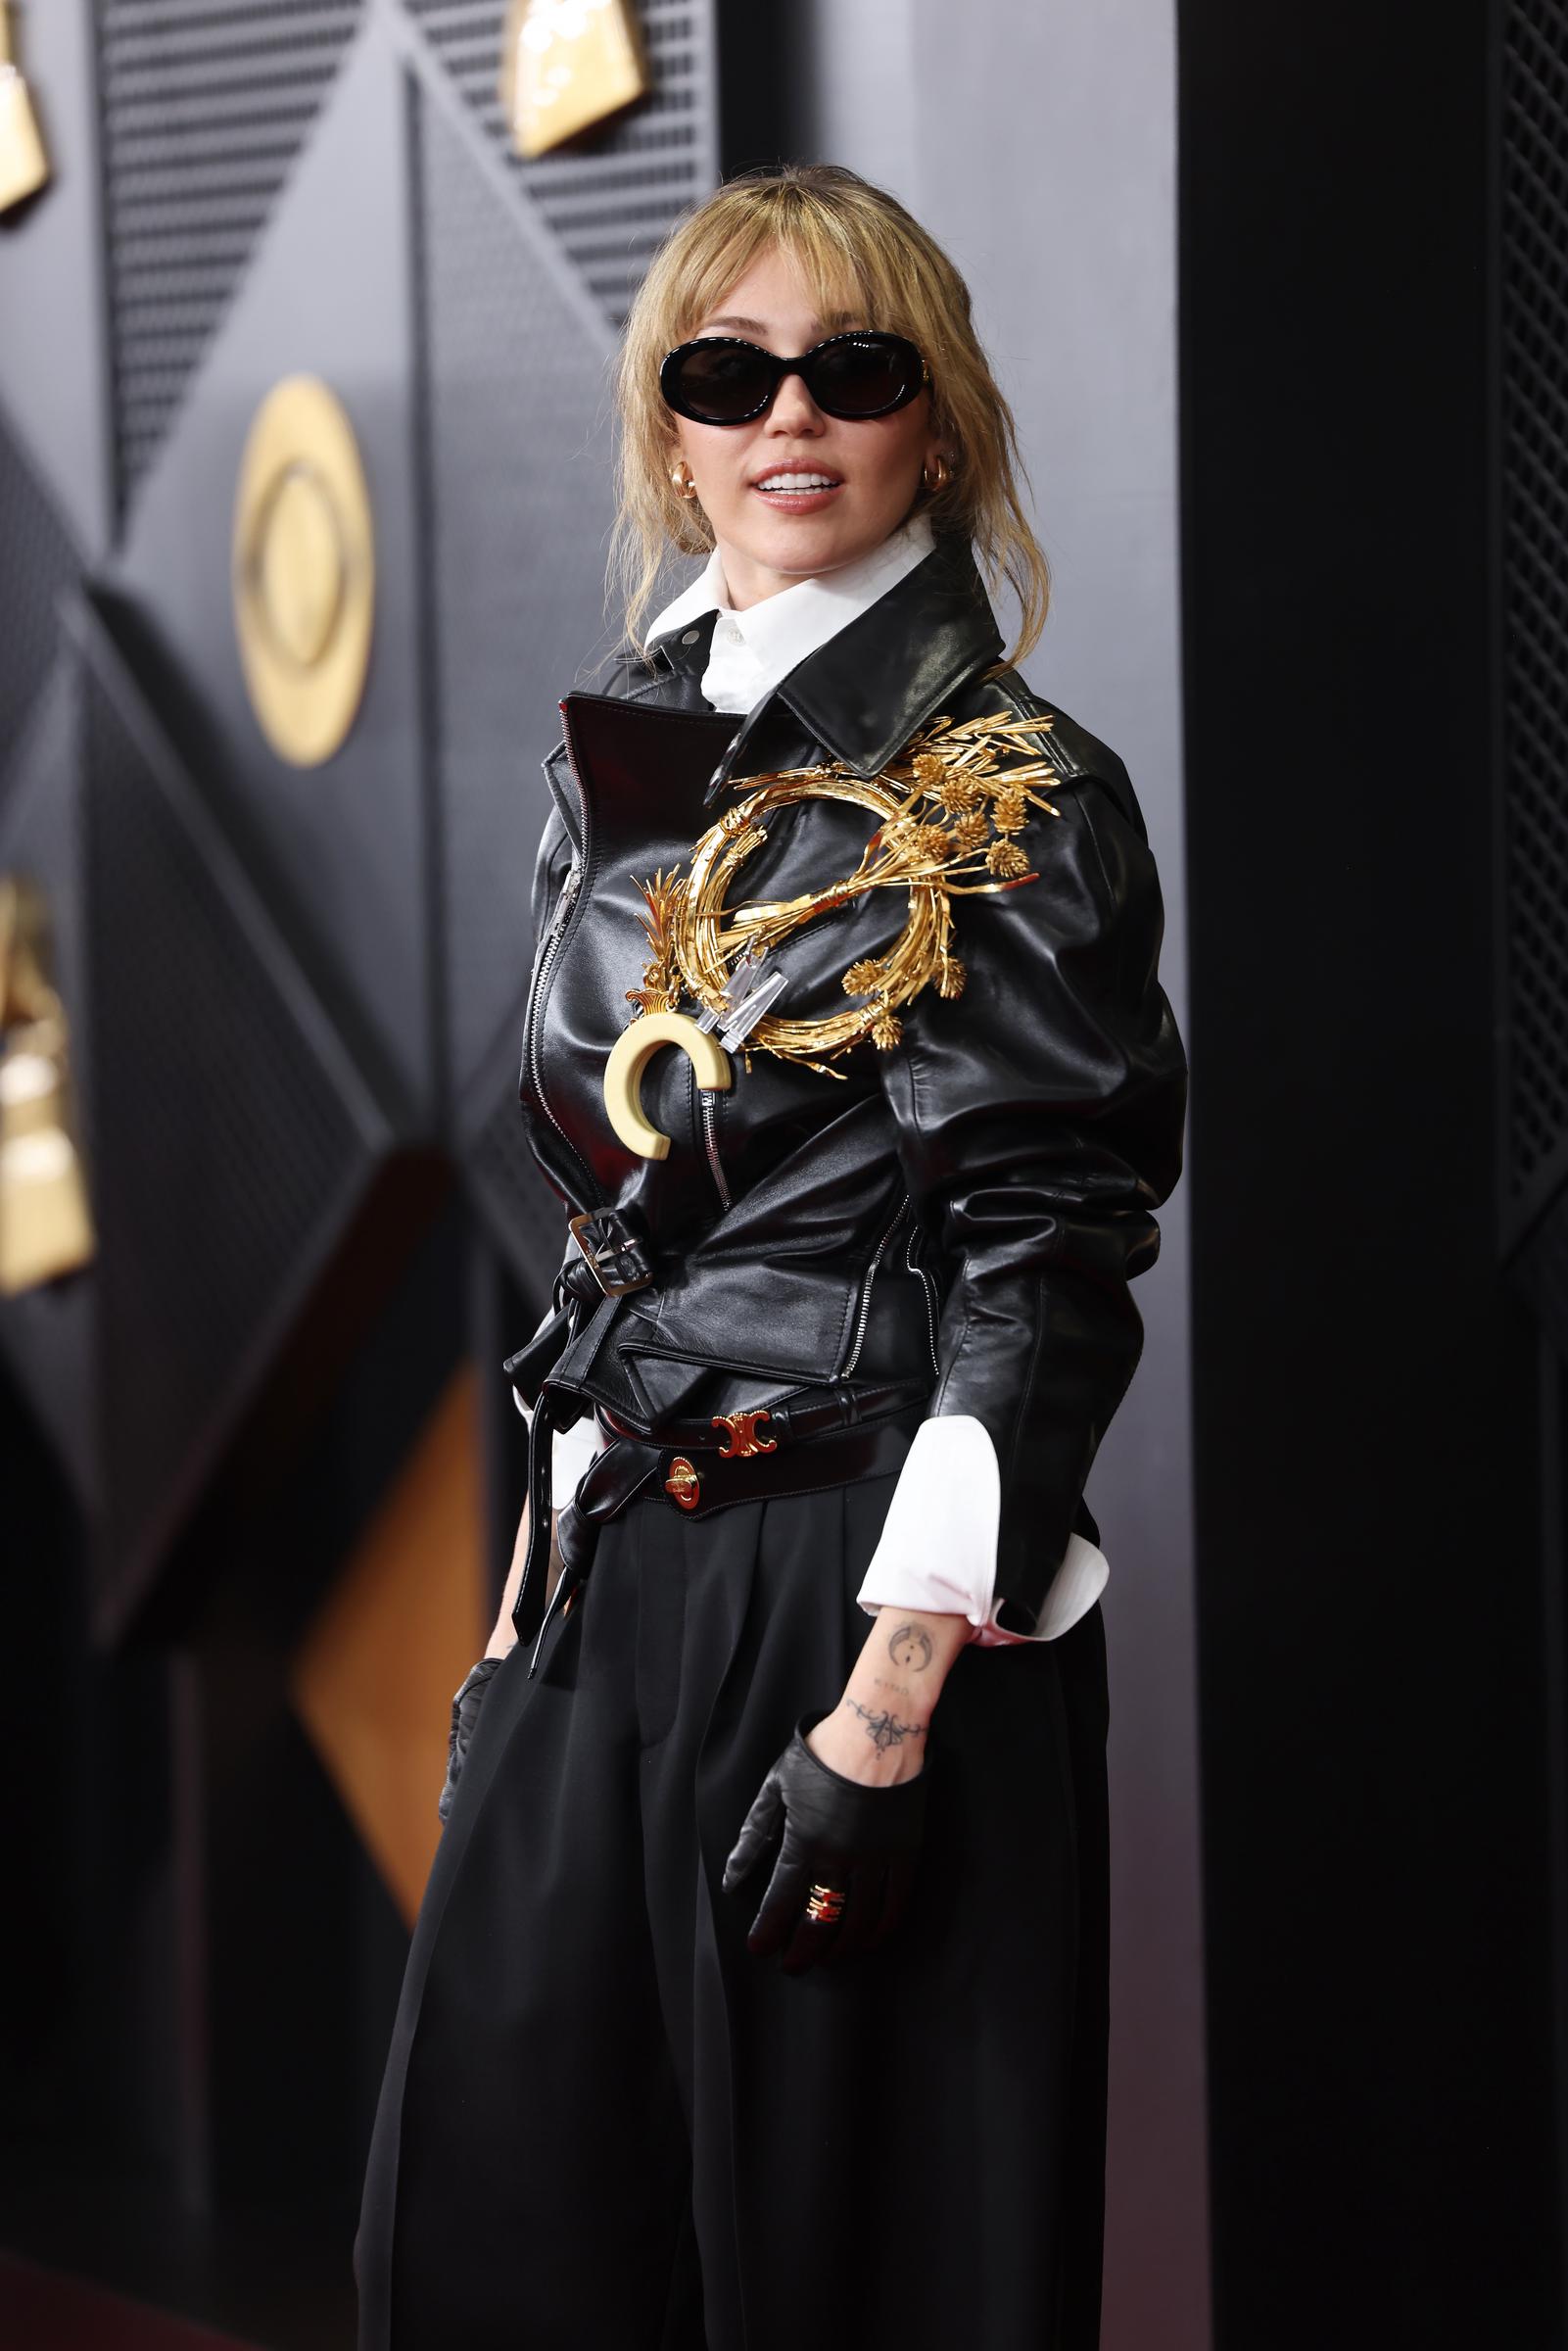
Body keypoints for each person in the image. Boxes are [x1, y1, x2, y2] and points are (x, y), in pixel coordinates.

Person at [355, 161, 1187, 2351]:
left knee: (844, 2271)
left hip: (858, 1594)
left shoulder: (1016, 787)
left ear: (938, 417)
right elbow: (615, 1218)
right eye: (730, 371)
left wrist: (890, 1707)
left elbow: (1049, 1253)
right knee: (505, 2245)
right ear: (672, 424)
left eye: (854, 367)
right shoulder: (621, 745)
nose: (788, 415)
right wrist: (536, 1591)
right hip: (614, 1570)